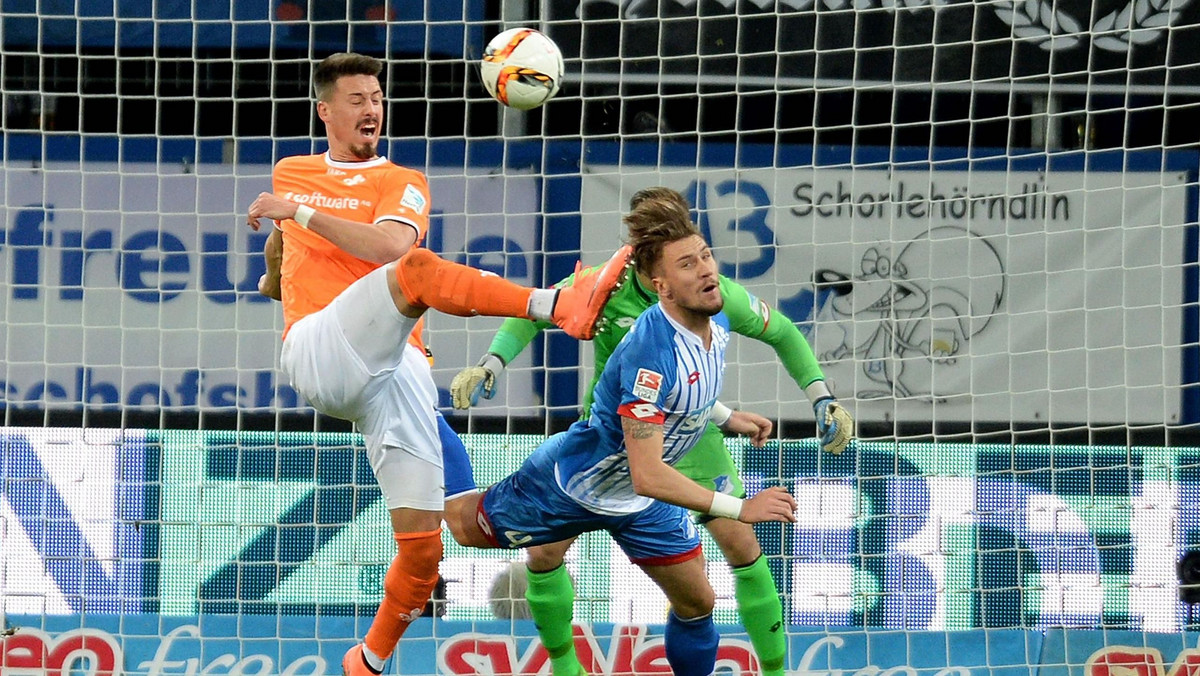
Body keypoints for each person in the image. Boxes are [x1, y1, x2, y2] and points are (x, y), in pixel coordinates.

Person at [245, 52, 633, 676]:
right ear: (326, 111)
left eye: (376, 97)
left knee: (431, 546)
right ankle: (558, 302)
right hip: (321, 346)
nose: (371, 108)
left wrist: (298, 216)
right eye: (356, 99)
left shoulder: (403, 180)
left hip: (396, 376)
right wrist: (274, 267)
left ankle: (367, 661)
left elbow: (391, 245)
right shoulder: (293, 170)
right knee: (417, 275)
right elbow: (291, 246)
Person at [449, 186, 855, 676]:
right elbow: (534, 313)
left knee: (726, 563)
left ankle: (774, 672)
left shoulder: (714, 297)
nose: (706, 269)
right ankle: (565, 667)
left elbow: (778, 334)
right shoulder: (605, 292)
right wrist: (492, 362)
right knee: (534, 549)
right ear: (655, 277)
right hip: (610, 452)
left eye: (705, 255)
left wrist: (814, 398)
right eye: (688, 262)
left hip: (681, 440)